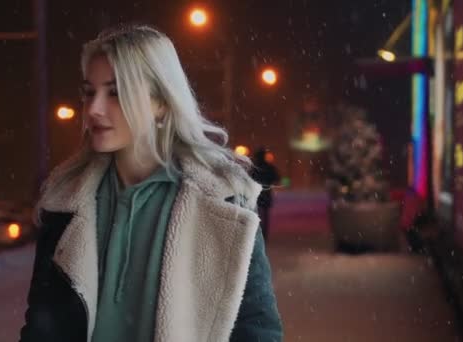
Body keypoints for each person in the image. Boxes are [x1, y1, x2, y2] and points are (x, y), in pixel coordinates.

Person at [19, 24, 282, 342]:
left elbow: (256, 330)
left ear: (162, 102)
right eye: (90, 92)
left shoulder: (222, 202)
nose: (94, 109)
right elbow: (40, 328)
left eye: (115, 92)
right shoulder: (65, 202)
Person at [249, 147, 281, 242]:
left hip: (256, 194)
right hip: (265, 193)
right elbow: (276, 178)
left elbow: (249, 178)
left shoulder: (255, 167)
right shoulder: (269, 167)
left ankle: (257, 233)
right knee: (264, 215)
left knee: (256, 214)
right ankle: (263, 234)